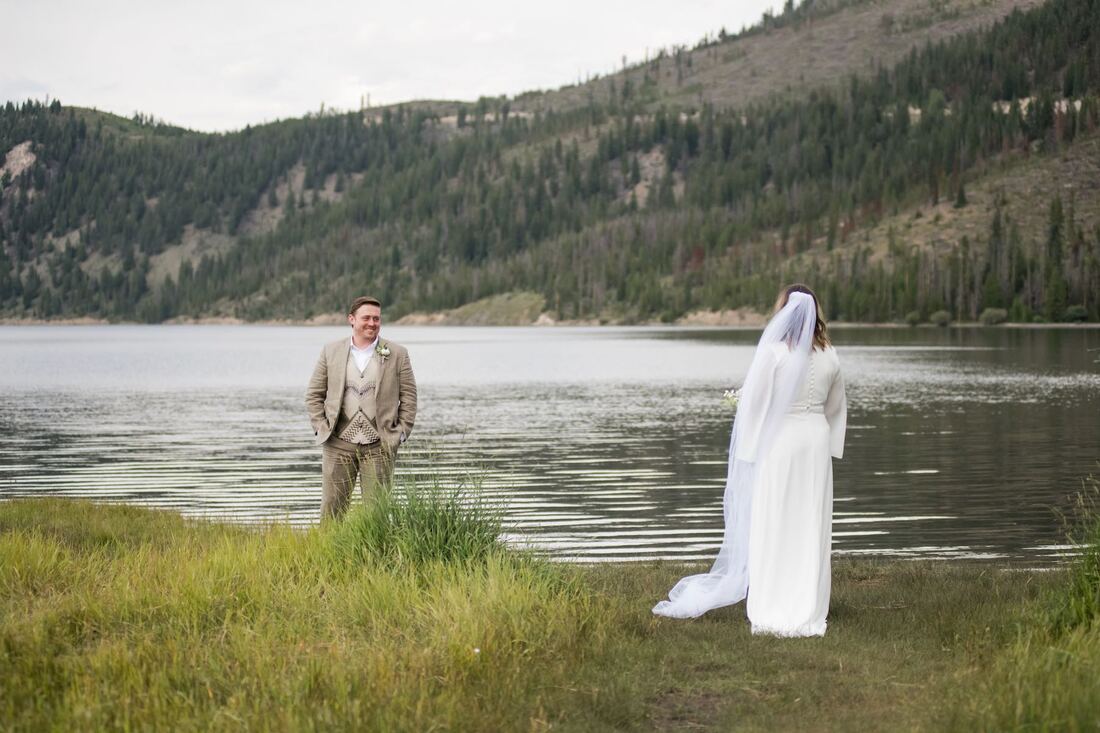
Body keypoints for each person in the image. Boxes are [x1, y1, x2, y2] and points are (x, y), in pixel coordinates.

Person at [653, 284, 847, 637]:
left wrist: (749, 446)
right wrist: (830, 439)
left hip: (781, 441)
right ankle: (809, 606)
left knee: (775, 519)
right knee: (811, 521)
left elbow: (755, 404)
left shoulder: (774, 354)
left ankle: (773, 602)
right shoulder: (830, 354)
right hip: (816, 443)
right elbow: (836, 407)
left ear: (783, 313)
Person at [305, 296, 418, 520]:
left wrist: (400, 433)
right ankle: (328, 545)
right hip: (337, 443)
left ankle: (374, 545)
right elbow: (314, 394)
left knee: (376, 513)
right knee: (332, 510)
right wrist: (321, 427)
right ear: (352, 319)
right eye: (366, 318)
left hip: (380, 444)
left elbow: (409, 398)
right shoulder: (331, 351)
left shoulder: (397, 353)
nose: (372, 323)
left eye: (376, 319)